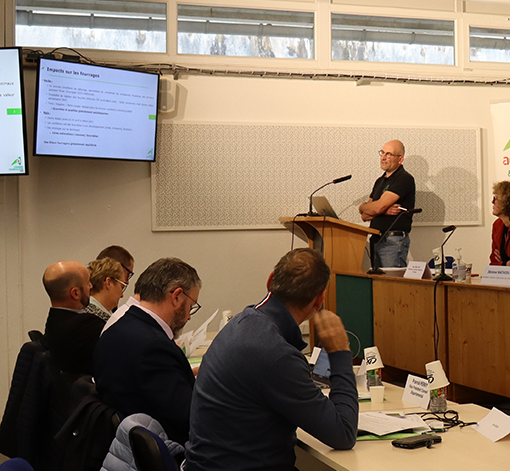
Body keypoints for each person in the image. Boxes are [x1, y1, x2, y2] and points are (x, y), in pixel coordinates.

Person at [186, 249, 358, 470]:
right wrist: (340, 352)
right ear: (319, 300)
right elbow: (343, 434)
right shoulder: (276, 354)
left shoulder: (241, 322)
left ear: (270, 280)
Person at [94, 258, 201, 443]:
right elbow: (190, 417)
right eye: (191, 306)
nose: (189, 317)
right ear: (176, 296)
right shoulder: (154, 347)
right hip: (167, 446)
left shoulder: (118, 328)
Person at [360, 139, 416, 268]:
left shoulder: (404, 178)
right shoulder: (380, 181)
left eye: (389, 154)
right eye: (382, 153)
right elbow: (364, 216)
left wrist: (374, 208)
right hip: (376, 239)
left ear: (400, 159)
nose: (383, 158)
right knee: (377, 279)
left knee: (392, 279)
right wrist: (364, 207)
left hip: (392, 241)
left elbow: (377, 207)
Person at [41, 261, 103, 375]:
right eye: (87, 282)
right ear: (75, 293)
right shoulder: (88, 326)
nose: (91, 286)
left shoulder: (52, 322)